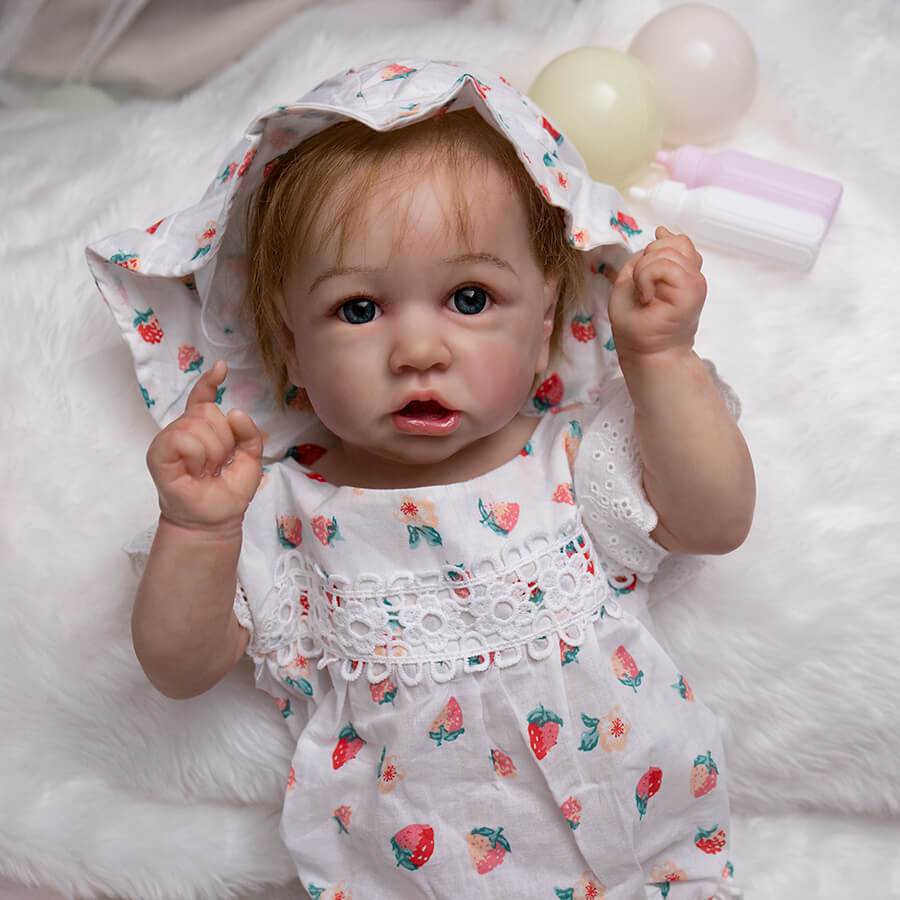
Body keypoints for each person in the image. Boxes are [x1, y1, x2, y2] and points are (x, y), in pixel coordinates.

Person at [87, 59, 753, 899]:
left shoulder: (572, 460)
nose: (418, 351)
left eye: (469, 298)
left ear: (546, 318)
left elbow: (716, 521)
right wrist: (198, 527)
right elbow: (180, 669)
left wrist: (661, 358)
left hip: (649, 866)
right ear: (290, 345)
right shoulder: (282, 512)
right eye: (358, 309)